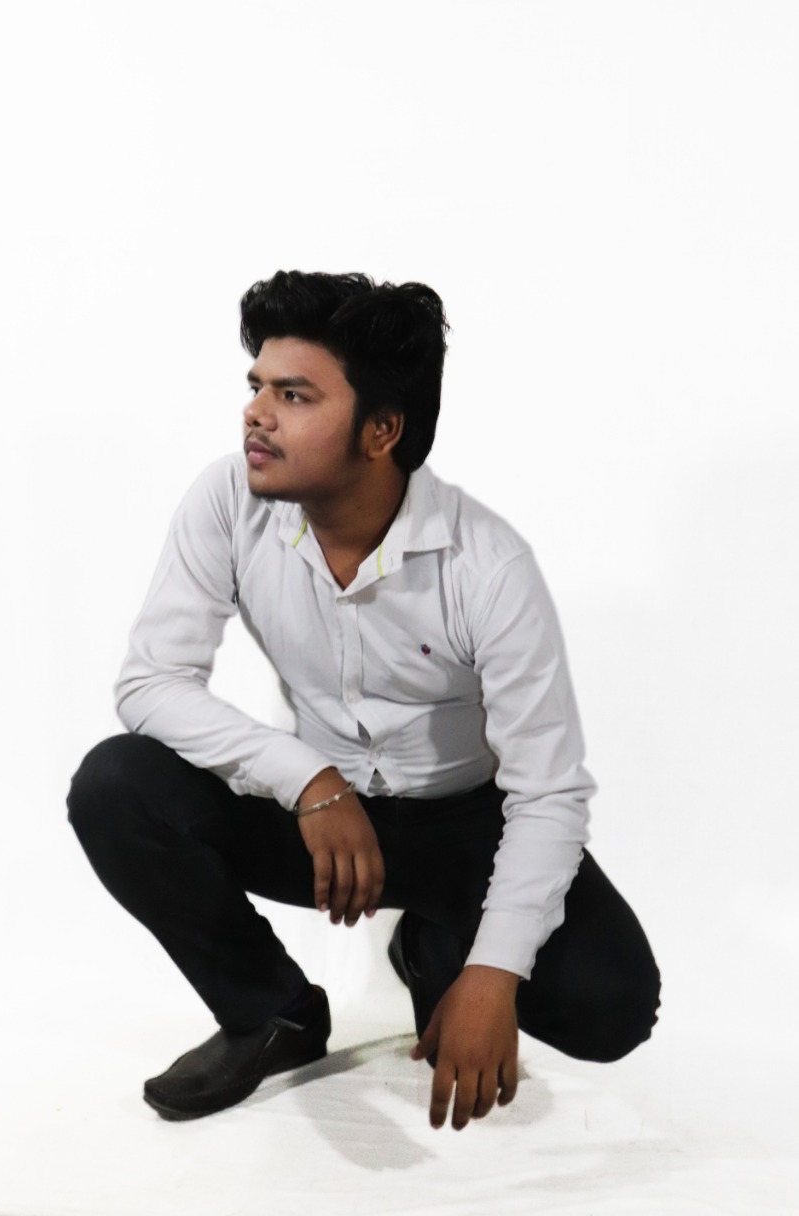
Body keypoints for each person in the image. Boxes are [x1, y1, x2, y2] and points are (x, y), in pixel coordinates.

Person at [67, 271, 660, 1132]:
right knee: (115, 786)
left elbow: (547, 790)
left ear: (382, 430)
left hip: (465, 827)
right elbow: (150, 681)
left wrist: (491, 974)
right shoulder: (228, 501)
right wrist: (308, 779)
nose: (255, 415)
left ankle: (433, 944)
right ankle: (270, 1013)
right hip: (319, 821)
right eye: (257, 387)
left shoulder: (486, 566)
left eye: (294, 395)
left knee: (611, 1006)